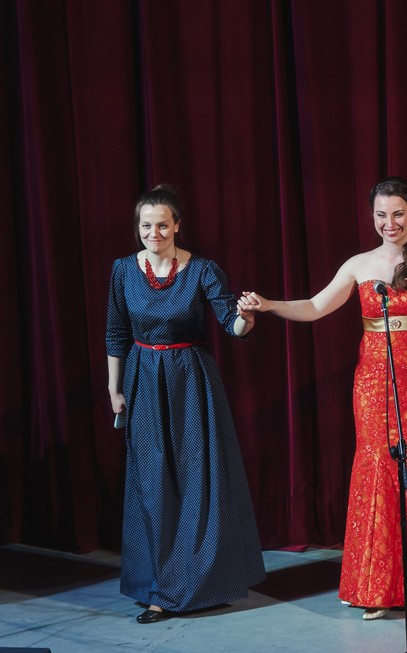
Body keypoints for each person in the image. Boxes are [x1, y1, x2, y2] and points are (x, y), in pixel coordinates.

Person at [239, 177, 407, 619]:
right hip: (373, 382)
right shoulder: (359, 264)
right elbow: (315, 306)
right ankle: (378, 589)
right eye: (381, 215)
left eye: (398, 213)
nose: (389, 223)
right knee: (379, 468)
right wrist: (268, 305)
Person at [106, 184, 266, 623]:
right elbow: (116, 333)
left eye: (162, 225)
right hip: (143, 380)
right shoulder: (123, 270)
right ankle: (159, 586)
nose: (153, 233)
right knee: (153, 483)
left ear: (177, 225)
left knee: (198, 481)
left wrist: (245, 319)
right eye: (146, 226)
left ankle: (198, 583)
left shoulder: (202, 270)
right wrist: (115, 390)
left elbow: (231, 323)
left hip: (190, 382)